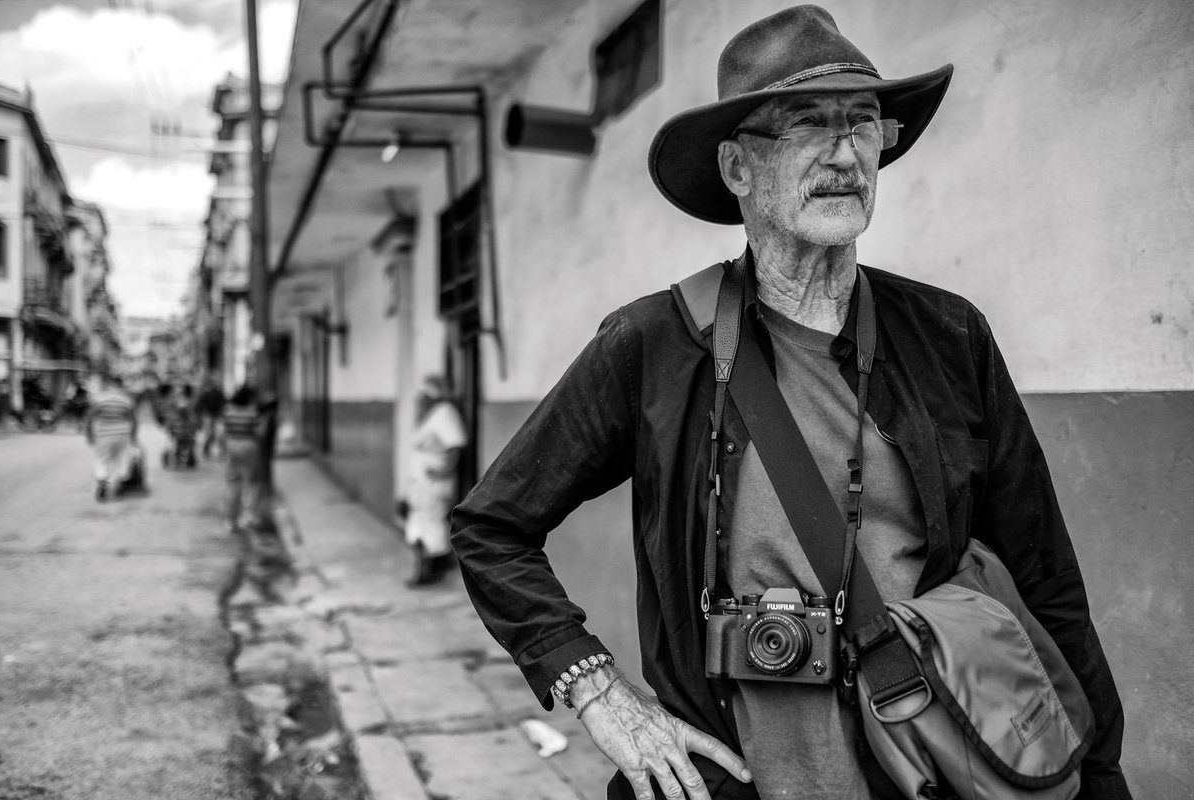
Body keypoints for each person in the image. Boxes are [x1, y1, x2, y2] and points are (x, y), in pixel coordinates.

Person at [451, 7, 1130, 800]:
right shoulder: (655, 345)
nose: (846, 153)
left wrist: (1101, 772)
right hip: (734, 780)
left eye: (865, 123)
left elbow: (1044, 576)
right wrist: (597, 692)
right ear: (739, 168)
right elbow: (490, 526)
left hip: (933, 767)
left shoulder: (948, 335)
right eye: (809, 123)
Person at [404, 374, 467, 587]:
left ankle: (431, 571)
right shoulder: (429, 416)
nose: (420, 400)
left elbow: (455, 446)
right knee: (418, 526)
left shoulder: (444, 414)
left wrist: (443, 472)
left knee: (432, 526)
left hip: (433, 485)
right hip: (421, 486)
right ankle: (423, 571)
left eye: (424, 395)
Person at [86, 372, 138, 501]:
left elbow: (90, 417)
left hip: (104, 434)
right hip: (122, 434)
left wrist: (89, 434)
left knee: (101, 459)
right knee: (120, 459)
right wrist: (133, 436)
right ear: (120, 385)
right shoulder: (126, 399)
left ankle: (102, 479)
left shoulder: (100, 398)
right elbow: (133, 420)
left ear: (109, 384)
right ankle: (119, 481)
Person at [223, 384, 261, 533]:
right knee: (252, 482)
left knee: (233, 484)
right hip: (249, 447)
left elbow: (225, 432)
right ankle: (249, 516)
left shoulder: (228, 411)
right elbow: (258, 431)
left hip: (232, 446)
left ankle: (231, 520)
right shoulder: (252, 412)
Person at [195, 377, 226, 458]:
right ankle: (206, 449)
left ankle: (208, 449)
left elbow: (222, 404)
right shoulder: (208, 393)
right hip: (209, 415)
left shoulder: (216, 393)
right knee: (210, 433)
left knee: (215, 433)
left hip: (213, 415)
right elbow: (200, 405)